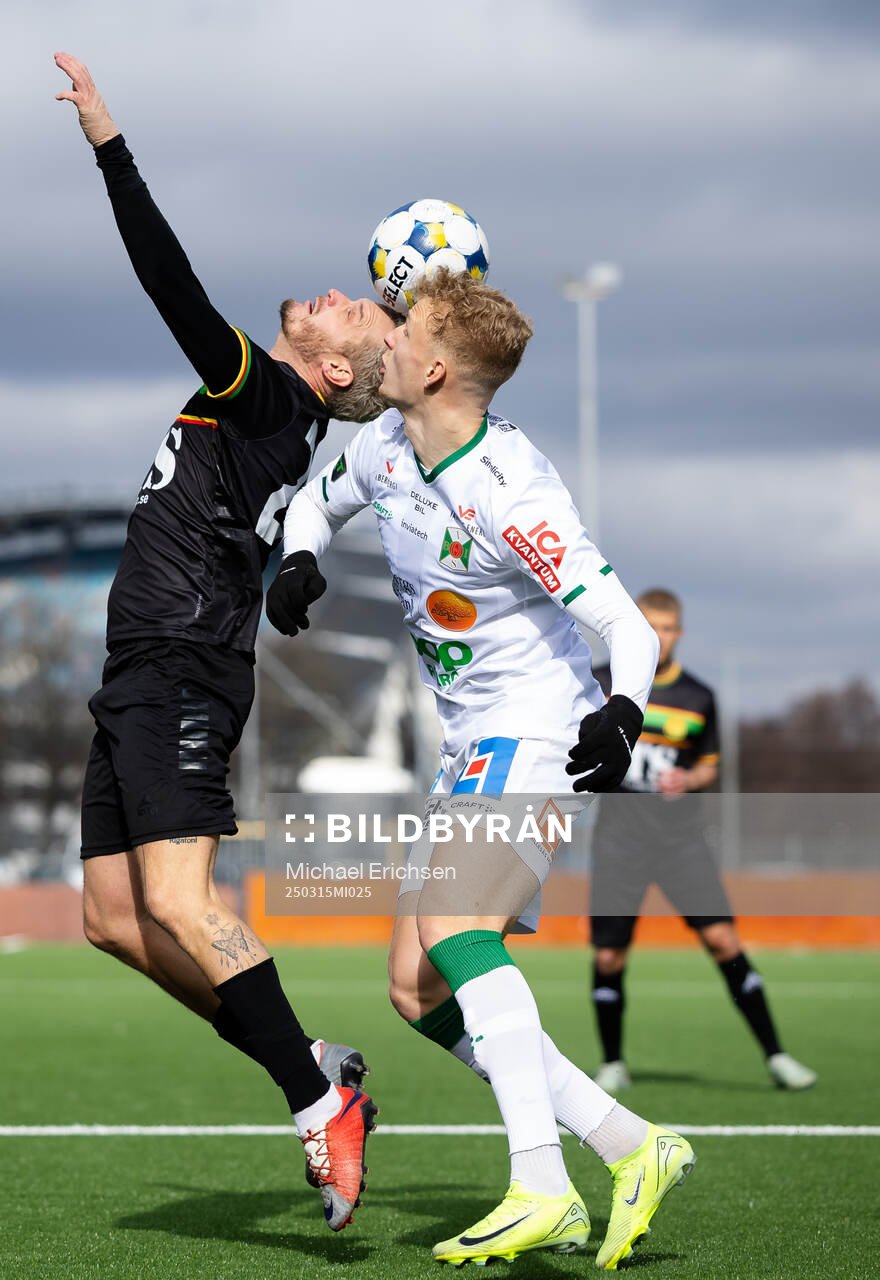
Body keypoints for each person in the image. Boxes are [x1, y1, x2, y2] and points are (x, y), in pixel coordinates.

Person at [268, 269, 695, 1270]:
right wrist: (294, 555)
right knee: (415, 988)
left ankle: (539, 1182)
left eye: (404, 323)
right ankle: (632, 1147)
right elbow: (311, 506)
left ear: (434, 366)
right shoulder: (381, 445)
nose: (384, 331)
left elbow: (620, 622)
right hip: (469, 740)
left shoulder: (509, 489)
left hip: (533, 726)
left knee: (457, 931)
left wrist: (623, 712)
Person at [54, 51, 398, 1231]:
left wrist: (112, 146)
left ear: (333, 365)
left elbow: (171, 285)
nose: (323, 294)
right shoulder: (274, 402)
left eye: (342, 309)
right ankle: (310, 1061)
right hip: (141, 667)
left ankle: (315, 1103)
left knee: (181, 900)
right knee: (110, 918)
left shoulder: (273, 395)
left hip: (185, 665)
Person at [589, 588, 817, 1093]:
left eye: (667, 628)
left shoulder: (699, 696)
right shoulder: (601, 681)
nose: (659, 637)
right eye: (650, 627)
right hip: (618, 842)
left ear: (679, 633)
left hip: (680, 843)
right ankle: (612, 1064)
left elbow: (709, 767)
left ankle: (777, 1056)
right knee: (609, 957)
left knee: (723, 941)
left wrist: (688, 780)